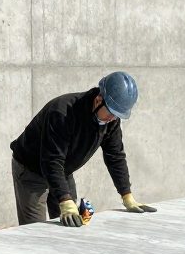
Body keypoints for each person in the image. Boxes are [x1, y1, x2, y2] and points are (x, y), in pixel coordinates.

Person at [9, 71, 157, 226]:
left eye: (117, 115)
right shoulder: (62, 112)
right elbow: (52, 160)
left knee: (72, 223)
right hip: (31, 170)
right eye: (111, 112)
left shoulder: (111, 121)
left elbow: (115, 156)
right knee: (35, 230)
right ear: (99, 100)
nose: (113, 118)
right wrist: (65, 200)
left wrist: (126, 195)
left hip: (62, 169)